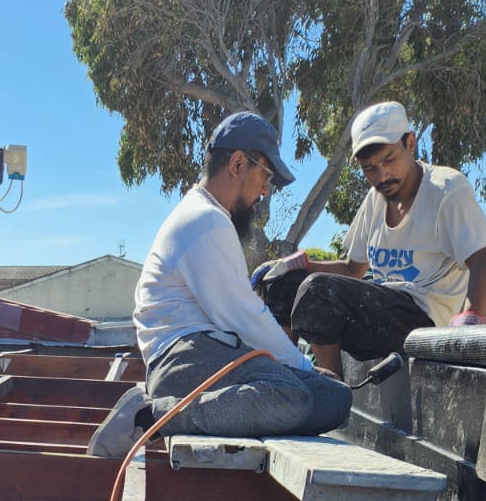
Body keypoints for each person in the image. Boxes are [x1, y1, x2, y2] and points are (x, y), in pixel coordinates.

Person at [88, 111, 352, 459]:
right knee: (293, 397)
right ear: (238, 163)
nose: (265, 190)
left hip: (207, 354)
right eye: (266, 175)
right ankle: (150, 416)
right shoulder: (205, 221)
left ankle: (180, 410)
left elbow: (240, 318)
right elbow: (243, 316)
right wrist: (303, 367)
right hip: (183, 360)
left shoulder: (207, 216)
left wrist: (304, 371)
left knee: (336, 398)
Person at [254, 101, 486, 377]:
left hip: (424, 322)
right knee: (283, 285)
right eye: (369, 168)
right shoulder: (375, 199)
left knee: (317, 291)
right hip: (380, 315)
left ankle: (333, 393)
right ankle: (287, 378)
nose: (381, 175)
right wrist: (296, 265)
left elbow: (482, 260)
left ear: (410, 143)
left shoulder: (445, 189)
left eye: (389, 160)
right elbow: (352, 270)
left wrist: (470, 321)